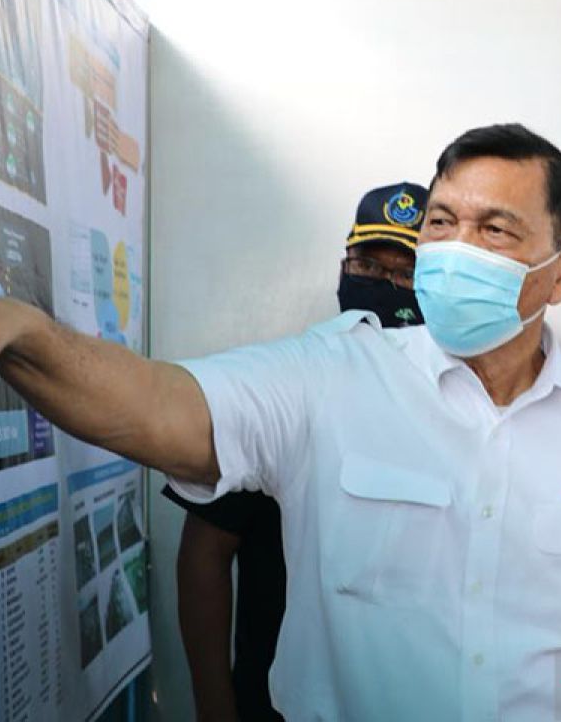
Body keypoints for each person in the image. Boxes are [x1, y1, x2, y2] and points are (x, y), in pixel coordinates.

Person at [0, 123, 561, 721]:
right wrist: (26, 338)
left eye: (495, 230)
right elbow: (156, 406)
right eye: (442, 222)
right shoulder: (331, 375)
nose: (456, 249)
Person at [166, 181, 428, 722]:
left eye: (408, 274)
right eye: (369, 268)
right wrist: (215, 708)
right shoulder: (291, 391)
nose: (387, 286)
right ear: (343, 267)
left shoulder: (465, 407)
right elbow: (205, 551)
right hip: (277, 701)